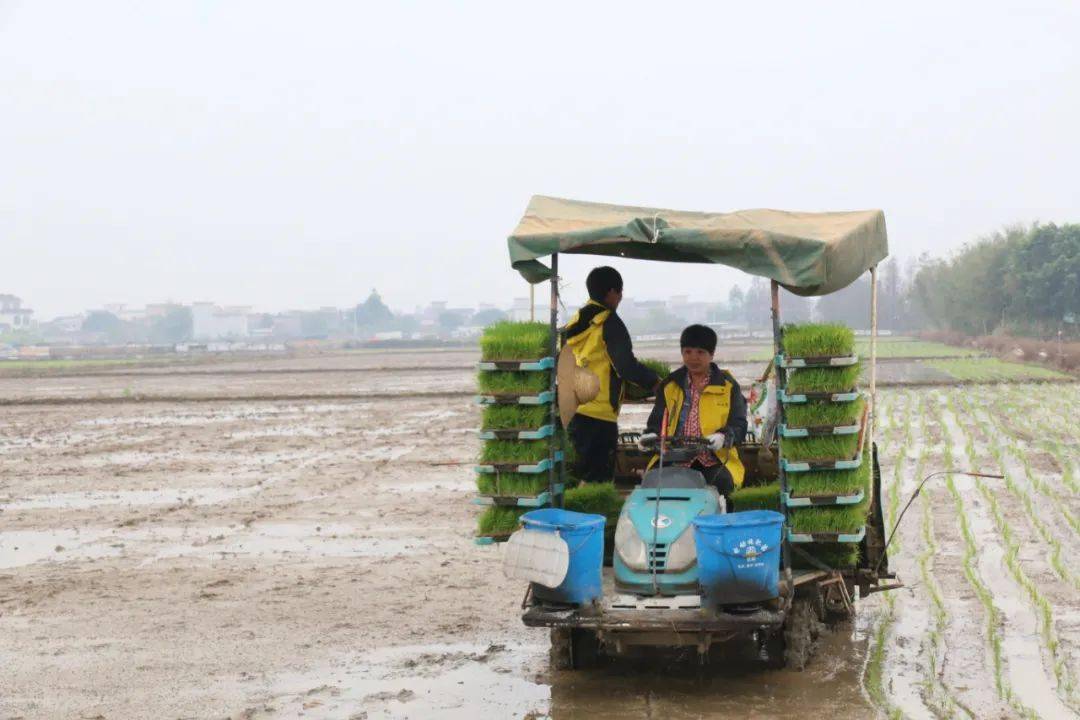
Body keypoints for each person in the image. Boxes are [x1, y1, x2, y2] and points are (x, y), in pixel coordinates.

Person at [564, 266, 661, 483]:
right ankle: (597, 515)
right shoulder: (609, 322)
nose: (620, 298)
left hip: (573, 410)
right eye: (620, 293)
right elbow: (625, 366)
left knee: (577, 476)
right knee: (598, 479)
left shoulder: (575, 322)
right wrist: (654, 382)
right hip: (599, 414)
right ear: (611, 293)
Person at [641, 324, 747, 507]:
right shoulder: (669, 385)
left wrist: (723, 436)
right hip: (673, 458)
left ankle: (718, 530)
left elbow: (739, 424)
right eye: (688, 352)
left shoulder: (728, 386)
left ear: (711, 355)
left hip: (714, 459)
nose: (693, 358)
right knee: (651, 489)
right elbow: (657, 421)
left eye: (700, 352)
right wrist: (650, 435)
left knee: (722, 486)